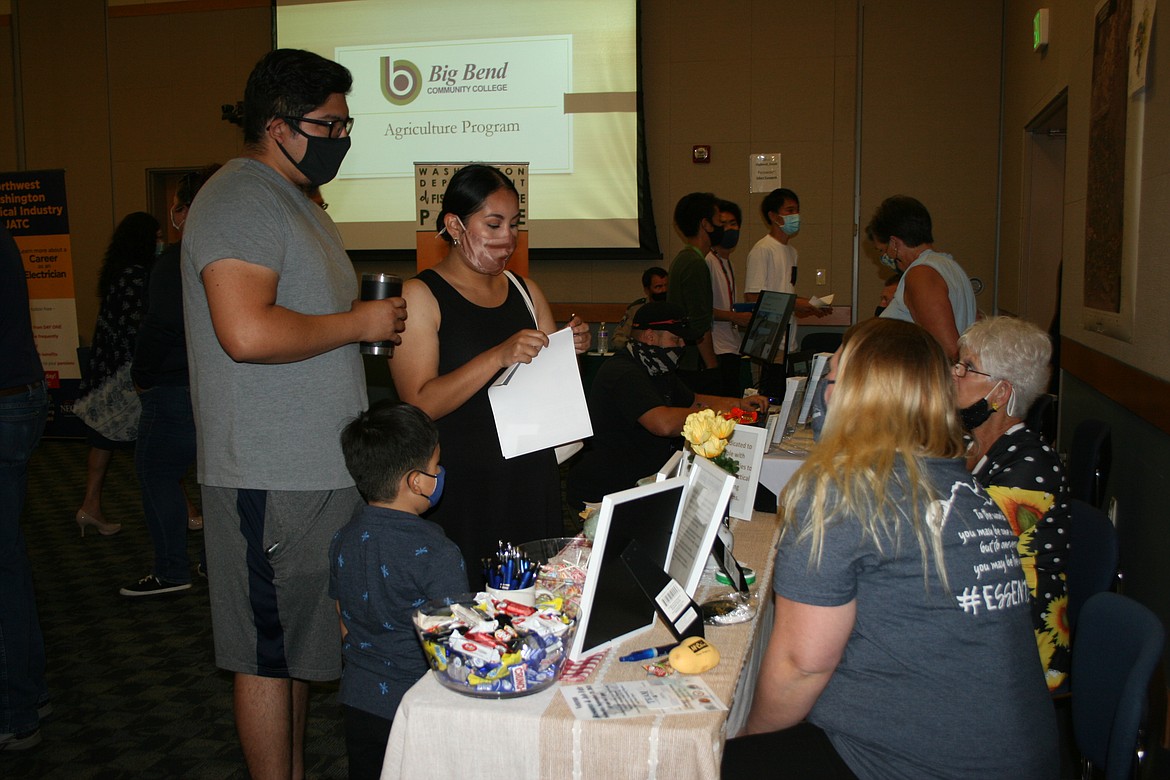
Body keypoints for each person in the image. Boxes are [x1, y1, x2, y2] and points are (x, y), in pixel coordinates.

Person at [181, 49, 407, 780]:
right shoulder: (240, 198)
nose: (342, 137)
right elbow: (245, 333)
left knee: (300, 653)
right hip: (268, 473)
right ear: (277, 126)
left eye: (347, 122)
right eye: (329, 124)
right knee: (266, 656)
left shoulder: (296, 200)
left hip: (315, 469)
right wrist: (357, 324)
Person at [724, 318, 1057, 778]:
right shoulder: (962, 484)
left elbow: (802, 665)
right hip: (1017, 753)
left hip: (913, 762)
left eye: (833, 378)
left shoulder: (842, 491)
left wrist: (748, 741)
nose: (825, 392)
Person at [390, 164, 592, 586]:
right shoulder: (420, 295)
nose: (507, 238)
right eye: (494, 223)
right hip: (464, 481)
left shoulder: (525, 289)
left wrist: (569, 349)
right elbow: (419, 403)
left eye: (514, 224)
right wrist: (497, 355)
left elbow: (547, 383)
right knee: (472, 610)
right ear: (454, 225)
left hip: (530, 474)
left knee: (535, 601)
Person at [330, 400, 467, 780]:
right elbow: (454, 642)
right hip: (419, 703)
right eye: (435, 465)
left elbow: (343, 619)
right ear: (416, 481)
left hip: (358, 698)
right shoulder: (438, 552)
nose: (439, 473)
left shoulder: (343, 538)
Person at [956, 316, 1070, 691]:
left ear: (1000, 393)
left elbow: (970, 554)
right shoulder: (978, 446)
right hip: (987, 609)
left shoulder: (1028, 467)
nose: (954, 374)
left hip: (1020, 637)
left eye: (967, 367)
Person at [566, 301, 768, 507]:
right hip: (608, 491)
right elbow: (663, 424)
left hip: (641, 483)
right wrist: (719, 416)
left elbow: (694, 400)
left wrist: (739, 404)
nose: (682, 346)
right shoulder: (623, 372)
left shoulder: (656, 368)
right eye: (676, 339)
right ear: (651, 336)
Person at [122, 167, 218, 597]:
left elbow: (161, 326)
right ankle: (217, 562)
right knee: (215, 479)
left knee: (156, 473)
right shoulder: (234, 255)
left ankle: (170, 570)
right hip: (218, 387)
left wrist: (141, 374)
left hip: (174, 387)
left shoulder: (175, 261)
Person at [74, 211, 162, 538]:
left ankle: (90, 507)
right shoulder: (137, 277)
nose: (160, 241)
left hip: (106, 372)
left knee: (103, 440)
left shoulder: (116, 273)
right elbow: (140, 329)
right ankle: (185, 511)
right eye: (155, 236)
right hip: (126, 377)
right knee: (157, 445)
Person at [0, 225, 51, 751]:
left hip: (6, 399)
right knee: (9, 556)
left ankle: (14, 709)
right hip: (20, 395)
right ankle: (26, 694)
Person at [866, 195, 976, 360]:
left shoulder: (921, 274)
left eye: (882, 250)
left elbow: (948, 350)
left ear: (894, 243)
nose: (885, 257)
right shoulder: (949, 265)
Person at [666, 192, 723, 395]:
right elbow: (700, 326)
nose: (722, 226)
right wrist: (713, 369)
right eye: (719, 220)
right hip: (693, 365)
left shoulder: (684, 259)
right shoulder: (695, 263)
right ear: (705, 224)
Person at [706, 199, 751, 397]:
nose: (730, 229)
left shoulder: (726, 261)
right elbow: (702, 309)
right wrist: (734, 317)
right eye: (723, 224)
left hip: (732, 346)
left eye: (733, 223)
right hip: (717, 349)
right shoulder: (708, 261)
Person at [611, 266, 668, 351]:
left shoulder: (676, 308)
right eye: (658, 287)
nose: (664, 290)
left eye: (666, 285)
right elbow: (618, 340)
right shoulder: (636, 309)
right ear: (647, 290)